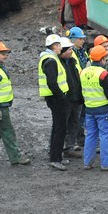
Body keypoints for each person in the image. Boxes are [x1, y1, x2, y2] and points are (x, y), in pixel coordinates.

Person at [79, 46, 108, 171]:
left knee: (90, 135)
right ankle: (106, 163)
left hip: (89, 109)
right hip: (103, 110)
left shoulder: (83, 72)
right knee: (105, 136)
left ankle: (87, 162)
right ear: (102, 59)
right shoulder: (103, 74)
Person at [38, 34, 69, 171]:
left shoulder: (49, 58)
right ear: (55, 46)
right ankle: (56, 158)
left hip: (54, 98)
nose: (61, 48)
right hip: (56, 99)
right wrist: (61, 96)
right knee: (60, 128)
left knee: (57, 127)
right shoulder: (50, 60)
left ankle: (55, 155)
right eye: (59, 45)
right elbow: (52, 82)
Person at [64, 26, 89, 156]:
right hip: (76, 90)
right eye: (80, 39)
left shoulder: (82, 52)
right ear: (73, 39)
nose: (83, 41)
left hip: (83, 88)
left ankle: (79, 140)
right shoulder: (70, 54)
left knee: (80, 116)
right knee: (75, 118)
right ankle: (71, 143)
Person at [59, 37, 83, 159]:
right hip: (66, 99)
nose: (71, 51)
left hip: (75, 97)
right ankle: (59, 148)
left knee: (74, 122)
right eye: (68, 49)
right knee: (62, 124)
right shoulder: (59, 63)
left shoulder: (72, 61)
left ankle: (69, 147)